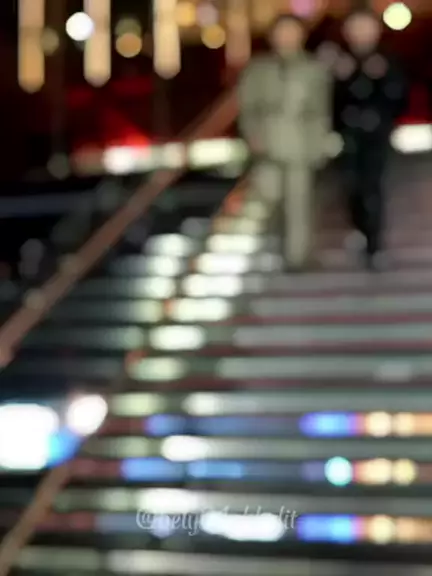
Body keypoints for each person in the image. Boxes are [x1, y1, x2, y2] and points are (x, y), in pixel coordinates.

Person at [237, 14, 332, 270]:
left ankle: (297, 256)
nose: (286, 37)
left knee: (299, 201)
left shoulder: (313, 68)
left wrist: (320, 143)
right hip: (268, 143)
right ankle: (280, 247)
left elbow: (321, 110)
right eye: (281, 31)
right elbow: (247, 107)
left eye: (292, 31)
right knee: (271, 199)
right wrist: (252, 135)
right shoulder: (258, 69)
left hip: (301, 144)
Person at [334, 9, 407, 269]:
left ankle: (375, 245)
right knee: (351, 186)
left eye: (366, 27)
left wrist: (384, 78)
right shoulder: (337, 59)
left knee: (373, 187)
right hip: (348, 135)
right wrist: (340, 77)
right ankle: (359, 227)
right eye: (356, 27)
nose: (361, 33)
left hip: (376, 134)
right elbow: (330, 102)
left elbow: (401, 97)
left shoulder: (389, 58)